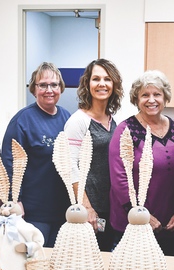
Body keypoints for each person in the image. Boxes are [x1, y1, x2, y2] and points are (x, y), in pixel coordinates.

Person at [109, 70, 174, 256]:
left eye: (157, 94)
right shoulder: (126, 130)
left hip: (171, 225)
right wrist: (140, 214)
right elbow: (119, 179)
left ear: (165, 97)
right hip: (134, 224)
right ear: (137, 99)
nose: (151, 100)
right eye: (145, 95)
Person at [1, 62, 71, 247]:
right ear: (34, 89)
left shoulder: (67, 118)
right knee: (33, 263)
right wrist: (16, 200)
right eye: (43, 85)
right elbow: (10, 163)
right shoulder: (22, 121)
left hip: (63, 210)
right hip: (33, 211)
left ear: (61, 88)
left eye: (54, 85)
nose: (49, 90)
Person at [64, 59, 124, 251]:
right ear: (87, 84)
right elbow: (69, 165)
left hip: (109, 208)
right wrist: (86, 207)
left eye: (107, 79)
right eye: (96, 79)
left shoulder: (113, 121)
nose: (102, 84)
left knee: (104, 258)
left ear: (113, 85)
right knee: (87, 262)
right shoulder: (78, 121)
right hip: (89, 210)